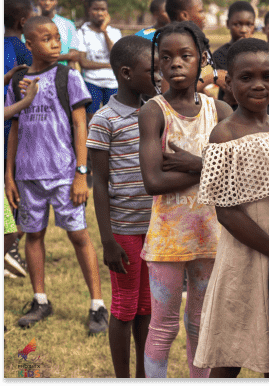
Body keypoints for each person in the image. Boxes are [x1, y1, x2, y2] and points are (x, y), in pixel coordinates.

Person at [138, 21, 233, 378]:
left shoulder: (218, 111)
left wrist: (196, 163)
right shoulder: (154, 111)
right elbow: (153, 180)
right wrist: (212, 166)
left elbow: (235, 173)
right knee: (163, 328)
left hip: (211, 237)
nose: (176, 63)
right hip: (168, 238)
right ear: (158, 63)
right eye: (167, 57)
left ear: (202, 59)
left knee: (200, 326)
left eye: (185, 55)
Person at [194, 38, 269, 378]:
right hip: (247, 255)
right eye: (246, 77)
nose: (259, 85)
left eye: (268, 75)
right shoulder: (224, 135)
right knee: (231, 346)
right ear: (228, 84)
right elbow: (228, 212)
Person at [4, 16, 107, 333]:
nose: (55, 44)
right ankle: (40, 300)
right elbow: (15, 128)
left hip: (64, 174)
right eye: (46, 38)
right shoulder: (17, 81)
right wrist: (9, 175)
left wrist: (81, 172)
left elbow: (81, 125)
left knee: (78, 235)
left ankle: (97, 306)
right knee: (33, 235)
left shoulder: (68, 77)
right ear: (28, 43)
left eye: (56, 38)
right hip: (27, 175)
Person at [86, 35, 158, 378]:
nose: (158, 75)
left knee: (147, 307)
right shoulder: (105, 119)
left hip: (156, 227)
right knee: (125, 306)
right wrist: (108, 240)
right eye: (151, 69)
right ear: (127, 73)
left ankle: (144, 373)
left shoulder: (154, 113)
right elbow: (99, 182)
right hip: (125, 229)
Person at [3, 0, 34, 278]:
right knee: (16, 193)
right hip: (14, 130)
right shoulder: (24, 52)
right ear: (24, 22)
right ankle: (8, 248)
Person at [75, 0, 123, 120]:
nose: (100, 13)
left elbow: (117, 56)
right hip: (91, 82)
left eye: (103, 9)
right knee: (92, 120)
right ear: (89, 11)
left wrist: (104, 31)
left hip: (113, 83)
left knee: (113, 120)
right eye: (96, 9)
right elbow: (84, 63)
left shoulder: (115, 32)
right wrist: (109, 65)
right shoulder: (82, 32)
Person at [35, 0, 79, 67]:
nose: (47, 3)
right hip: (37, 75)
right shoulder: (31, 25)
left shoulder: (68, 24)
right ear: (37, 0)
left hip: (62, 74)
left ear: (56, 1)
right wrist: (66, 56)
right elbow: (31, 55)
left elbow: (74, 55)